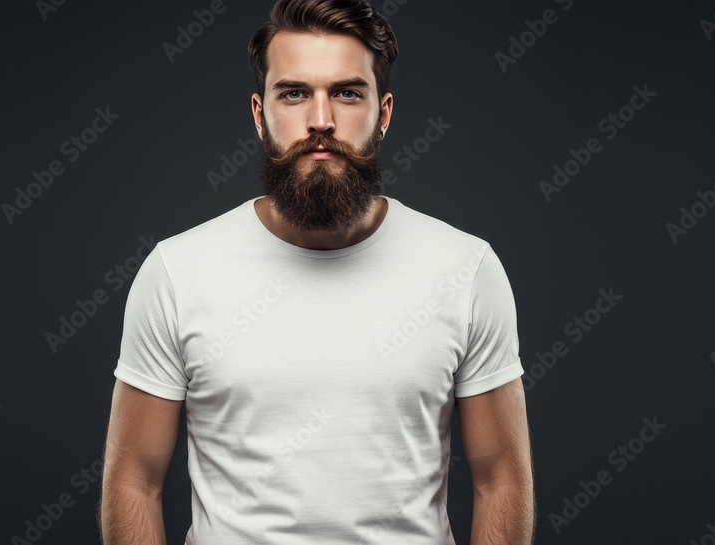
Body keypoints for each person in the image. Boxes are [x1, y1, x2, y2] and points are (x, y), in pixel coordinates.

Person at [99, 1, 534, 543]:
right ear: (259, 115)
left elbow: (501, 480)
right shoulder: (176, 273)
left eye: (347, 93)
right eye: (294, 93)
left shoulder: (466, 270)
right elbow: (134, 480)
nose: (321, 120)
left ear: (384, 113)